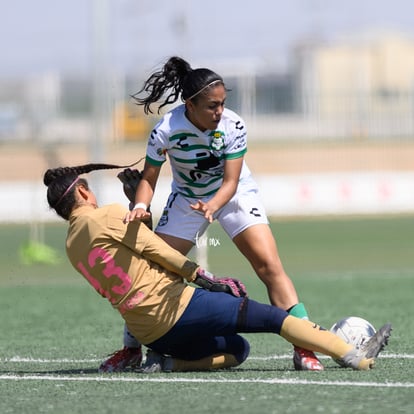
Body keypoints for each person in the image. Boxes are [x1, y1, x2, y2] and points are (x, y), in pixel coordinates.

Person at [43, 162, 391, 373]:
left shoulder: (72, 247)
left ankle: (164, 363)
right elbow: (159, 251)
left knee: (237, 350)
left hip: (150, 331)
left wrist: (139, 207)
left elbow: (133, 261)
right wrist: (206, 280)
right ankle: (353, 356)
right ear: (85, 193)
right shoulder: (108, 214)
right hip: (176, 308)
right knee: (274, 318)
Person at [110, 56, 324, 371]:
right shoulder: (165, 130)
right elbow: (148, 179)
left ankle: (305, 348)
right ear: (189, 105)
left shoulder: (233, 124)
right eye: (212, 105)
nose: (219, 111)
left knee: (268, 265)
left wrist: (213, 205)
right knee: (150, 272)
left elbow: (231, 181)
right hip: (187, 200)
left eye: (222, 103)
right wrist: (140, 206)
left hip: (234, 195)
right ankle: (130, 350)